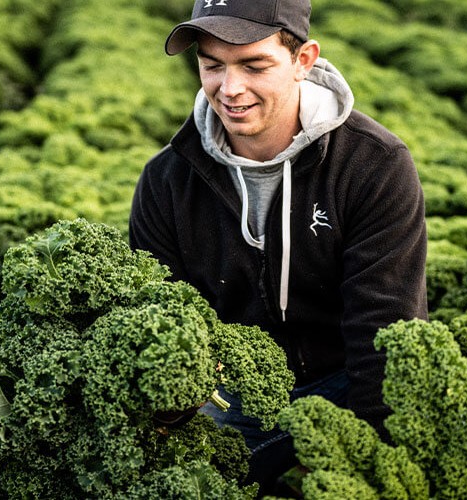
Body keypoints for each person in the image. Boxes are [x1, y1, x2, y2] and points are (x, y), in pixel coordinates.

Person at [129, 0, 428, 492]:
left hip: (347, 378)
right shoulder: (166, 182)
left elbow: (384, 334)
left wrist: (368, 461)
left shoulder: (375, 166)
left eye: (253, 64)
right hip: (234, 393)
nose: (230, 89)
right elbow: (160, 326)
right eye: (212, 65)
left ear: (303, 60)